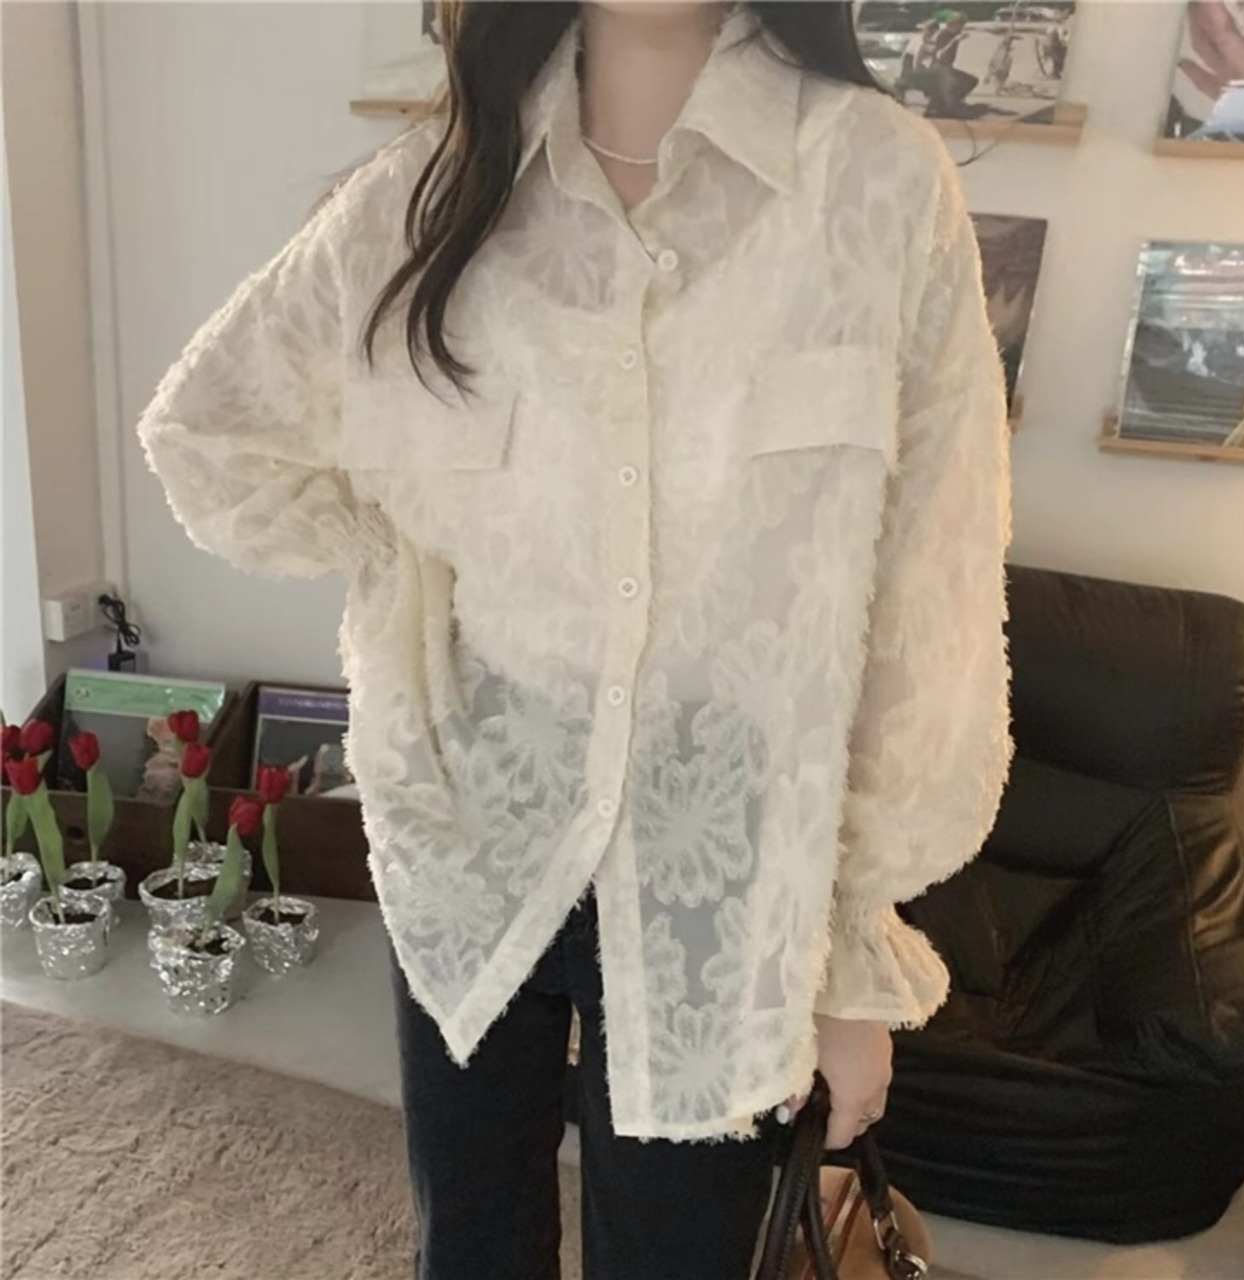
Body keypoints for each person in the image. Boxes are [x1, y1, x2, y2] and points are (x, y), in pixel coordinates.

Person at [136, 2, 1014, 1277]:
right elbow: (210, 433)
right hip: (474, 818)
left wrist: (850, 962)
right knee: (471, 1247)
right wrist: (403, 556)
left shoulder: (874, 181)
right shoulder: (435, 188)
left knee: (680, 1255)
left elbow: (931, 588)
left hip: (727, 861)